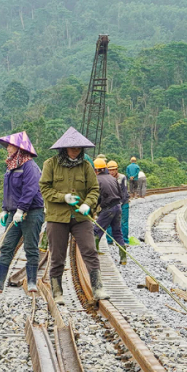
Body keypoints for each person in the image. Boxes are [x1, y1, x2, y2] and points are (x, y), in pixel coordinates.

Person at [39, 126, 105, 303]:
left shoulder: (86, 166)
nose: (76, 151)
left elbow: (94, 189)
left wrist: (87, 204)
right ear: (64, 148)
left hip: (81, 218)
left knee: (90, 251)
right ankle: (57, 291)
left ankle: (98, 288)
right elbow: (44, 189)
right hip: (57, 217)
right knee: (58, 255)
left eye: (78, 148)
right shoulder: (50, 165)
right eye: (72, 148)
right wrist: (63, 197)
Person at [0, 132, 44, 295]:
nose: (8, 148)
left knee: (31, 247)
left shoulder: (29, 166)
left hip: (31, 212)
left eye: (10, 146)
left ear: (19, 148)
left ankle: (31, 281)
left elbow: (30, 190)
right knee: (7, 246)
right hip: (13, 213)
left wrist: (21, 209)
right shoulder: (11, 166)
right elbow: (8, 190)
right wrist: (5, 209)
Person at [93, 157, 127, 265]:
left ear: (96, 170)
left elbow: (97, 197)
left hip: (108, 209)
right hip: (118, 207)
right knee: (117, 232)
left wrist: (93, 210)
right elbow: (120, 195)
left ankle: (94, 253)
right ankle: (123, 259)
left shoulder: (97, 180)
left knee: (96, 230)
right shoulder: (112, 179)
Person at [108, 160, 131, 247]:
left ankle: (124, 240)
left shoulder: (122, 177)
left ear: (117, 169)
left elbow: (124, 192)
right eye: (110, 170)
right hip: (112, 203)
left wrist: (120, 203)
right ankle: (109, 240)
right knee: (109, 221)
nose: (112, 172)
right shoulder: (107, 178)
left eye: (113, 170)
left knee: (123, 222)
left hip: (123, 203)